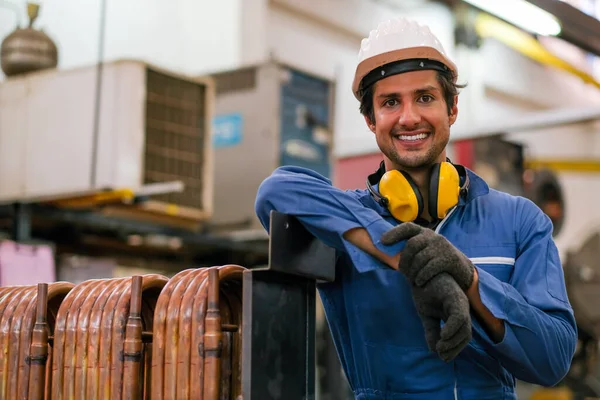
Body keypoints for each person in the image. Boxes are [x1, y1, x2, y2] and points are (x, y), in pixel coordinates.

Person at [254, 17, 577, 400]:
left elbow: (553, 359)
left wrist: (468, 280)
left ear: (452, 108)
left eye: (425, 97)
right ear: (371, 120)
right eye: (390, 102)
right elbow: (276, 191)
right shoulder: (347, 222)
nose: (409, 117)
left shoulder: (519, 221)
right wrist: (401, 254)